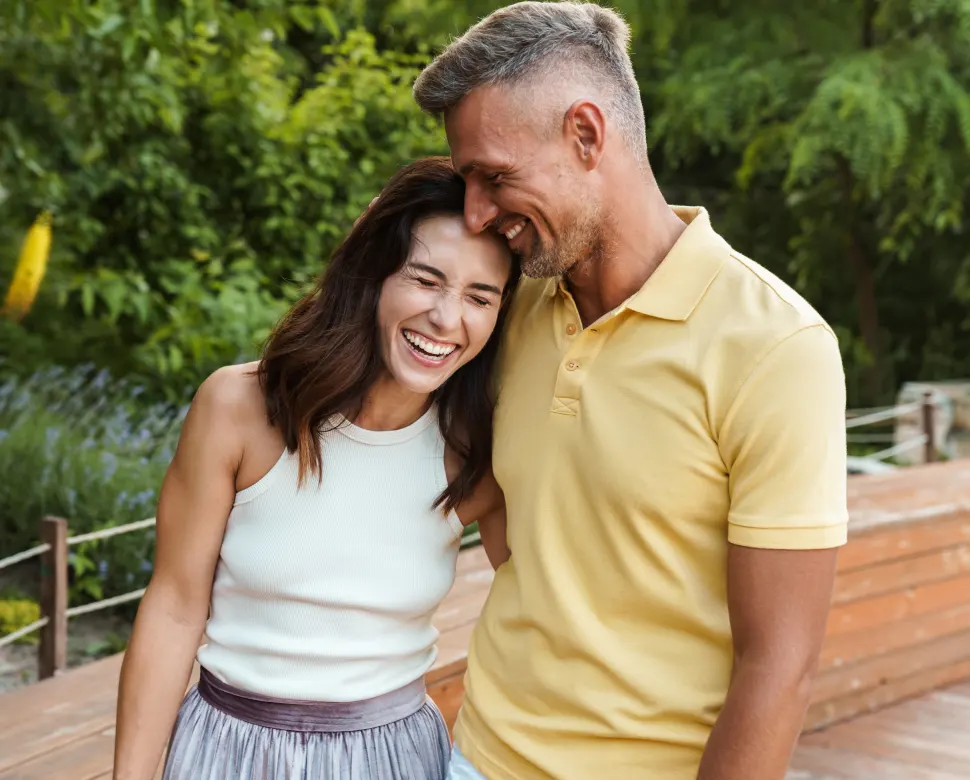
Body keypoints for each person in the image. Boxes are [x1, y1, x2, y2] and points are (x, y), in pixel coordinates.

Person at [412, 3, 849, 779]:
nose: (475, 212)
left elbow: (779, 669)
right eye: (465, 180)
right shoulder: (505, 310)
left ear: (586, 135)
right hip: (475, 759)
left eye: (495, 177)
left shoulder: (777, 348)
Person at [112, 157, 518, 780]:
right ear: (374, 276)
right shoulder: (237, 408)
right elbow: (173, 606)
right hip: (225, 750)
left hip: (394, 759)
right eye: (425, 279)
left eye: (479, 297)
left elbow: (541, 606)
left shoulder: (477, 448)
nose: (446, 317)